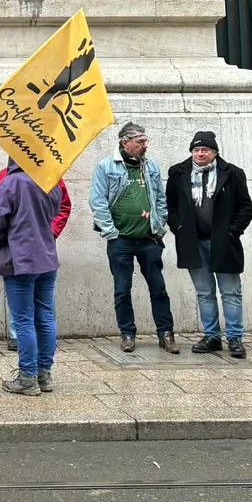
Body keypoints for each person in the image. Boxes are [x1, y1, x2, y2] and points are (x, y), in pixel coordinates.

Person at [89, 122, 178, 354]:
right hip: (121, 241)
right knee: (122, 289)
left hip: (149, 239)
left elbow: (159, 197)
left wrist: (159, 226)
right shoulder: (106, 166)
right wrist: (110, 232)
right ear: (125, 143)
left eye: (145, 141)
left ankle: (166, 333)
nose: (144, 146)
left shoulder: (151, 166)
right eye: (140, 142)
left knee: (158, 288)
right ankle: (127, 333)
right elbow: (98, 201)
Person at [165, 131, 252, 357]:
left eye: (205, 150)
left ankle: (234, 337)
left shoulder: (232, 173)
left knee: (231, 292)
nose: (200, 154)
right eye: (196, 150)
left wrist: (233, 232)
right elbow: (170, 206)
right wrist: (179, 228)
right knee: (204, 292)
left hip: (224, 242)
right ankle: (212, 335)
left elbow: (246, 207)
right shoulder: (178, 172)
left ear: (215, 152)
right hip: (193, 242)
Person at [0, 162, 64, 396]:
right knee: (45, 317)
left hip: (20, 259)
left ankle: (27, 377)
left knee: (23, 320)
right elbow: (57, 209)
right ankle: (44, 374)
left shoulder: (11, 182)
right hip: (47, 256)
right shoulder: (51, 179)